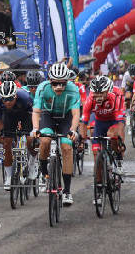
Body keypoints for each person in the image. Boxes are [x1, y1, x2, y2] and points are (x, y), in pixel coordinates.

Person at [32, 62, 80, 205]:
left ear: (67, 81)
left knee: (66, 148)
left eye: (62, 84)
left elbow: (76, 113)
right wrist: (35, 129)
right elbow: (36, 111)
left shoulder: (73, 89)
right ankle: (43, 171)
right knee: (45, 141)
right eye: (55, 84)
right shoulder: (43, 87)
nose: (59, 87)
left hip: (66, 118)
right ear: (49, 81)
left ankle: (67, 191)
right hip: (48, 116)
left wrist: (73, 130)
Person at [0, 81, 36, 190]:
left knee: (30, 140)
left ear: (15, 95)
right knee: (6, 144)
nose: (7, 102)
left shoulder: (25, 98)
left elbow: (34, 115)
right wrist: (1, 131)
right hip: (9, 117)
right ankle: (9, 176)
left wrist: (33, 130)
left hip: (26, 115)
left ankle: (32, 163)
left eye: (10, 99)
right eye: (5, 99)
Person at [80, 76, 126, 176]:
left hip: (114, 121)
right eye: (96, 94)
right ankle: (100, 182)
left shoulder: (116, 96)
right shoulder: (90, 100)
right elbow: (83, 123)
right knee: (96, 152)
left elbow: (120, 122)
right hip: (100, 122)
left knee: (112, 136)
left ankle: (118, 160)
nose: (98, 97)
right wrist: (82, 140)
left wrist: (119, 139)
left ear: (108, 91)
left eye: (101, 93)